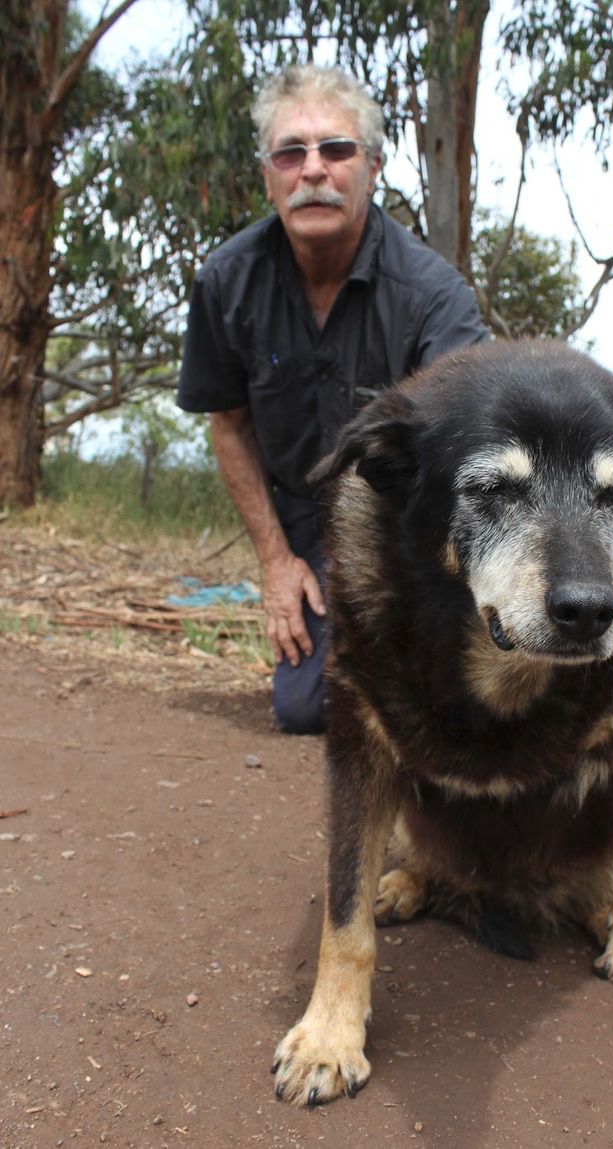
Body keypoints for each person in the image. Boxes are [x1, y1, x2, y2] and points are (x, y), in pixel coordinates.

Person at [177, 64, 488, 735]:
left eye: (336, 149)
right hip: (301, 518)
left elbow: (467, 451)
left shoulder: (434, 296)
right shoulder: (226, 282)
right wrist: (276, 562)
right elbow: (229, 426)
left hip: (403, 522)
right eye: (291, 152)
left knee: (441, 705)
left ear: (372, 168)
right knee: (305, 707)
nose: (312, 169)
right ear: (268, 177)